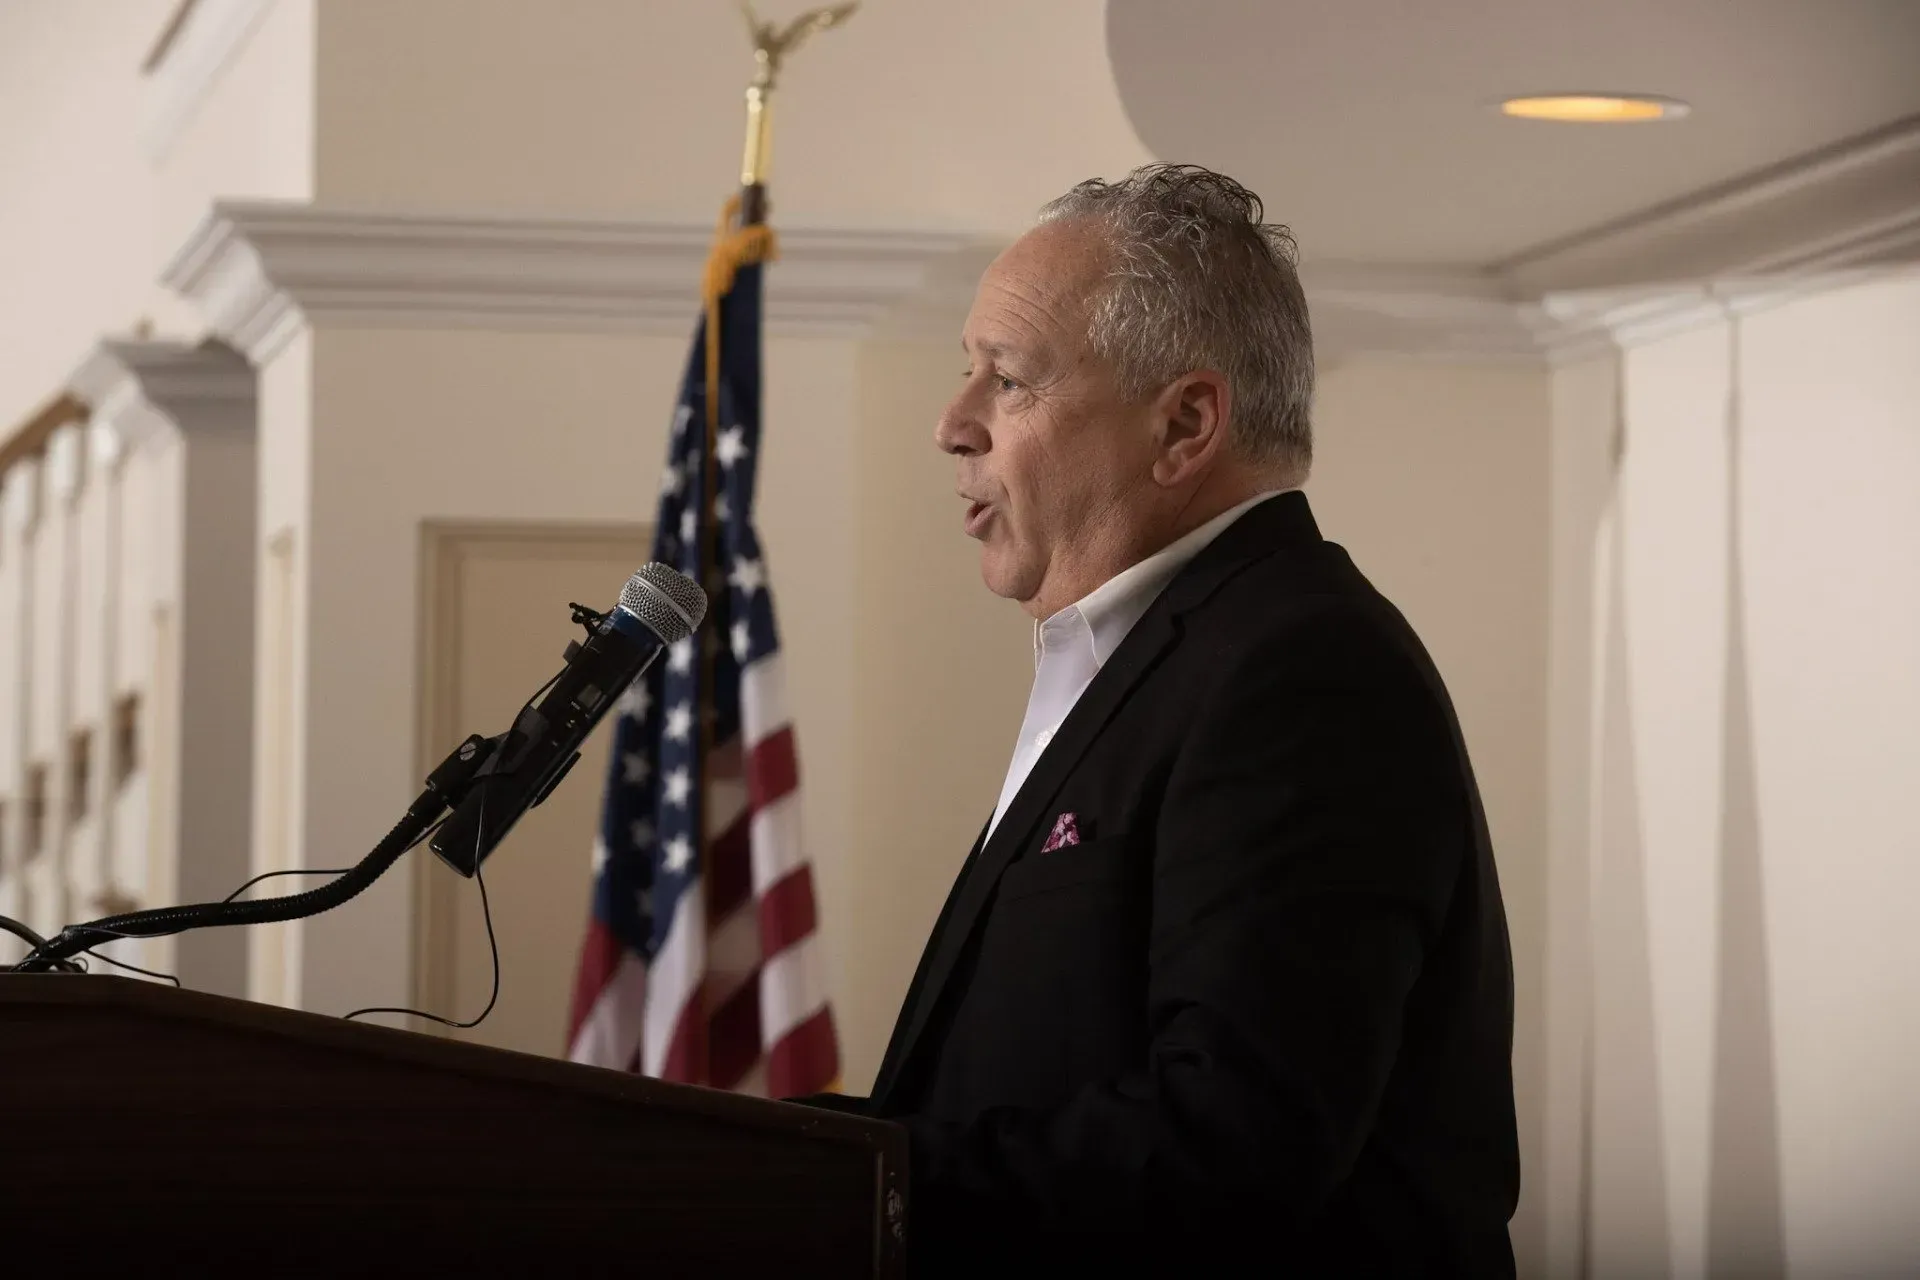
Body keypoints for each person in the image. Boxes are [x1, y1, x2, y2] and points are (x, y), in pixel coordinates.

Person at [801, 164, 1519, 1275]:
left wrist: (853, 1177)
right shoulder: (1161, 654)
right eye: (965, 373)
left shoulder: (1298, 672)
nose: (952, 423)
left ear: (1184, 423)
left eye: (1010, 379)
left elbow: (1231, 1149)